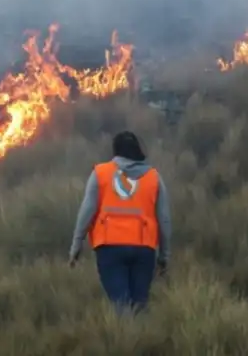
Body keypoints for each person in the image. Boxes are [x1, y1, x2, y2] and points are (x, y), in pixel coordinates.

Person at [68, 131, 171, 314]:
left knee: (120, 303)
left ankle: (125, 339)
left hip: (110, 247)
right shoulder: (154, 177)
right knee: (140, 304)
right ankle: (142, 339)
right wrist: (164, 255)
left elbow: (87, 211)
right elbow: (164, 219)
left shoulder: (101, 173)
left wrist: (77, 244)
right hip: (143, 248)